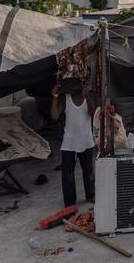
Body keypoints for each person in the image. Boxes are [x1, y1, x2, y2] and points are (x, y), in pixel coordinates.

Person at [50, 78, 96, 207]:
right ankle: (70, 202)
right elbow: (54, 116)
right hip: (69, 143)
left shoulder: (88, 95)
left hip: (86, 140)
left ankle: (90, 195)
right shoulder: (65, 98)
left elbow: (92, 113)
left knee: (88, 171)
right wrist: (54, 96)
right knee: (68, 175)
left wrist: (86, 96)